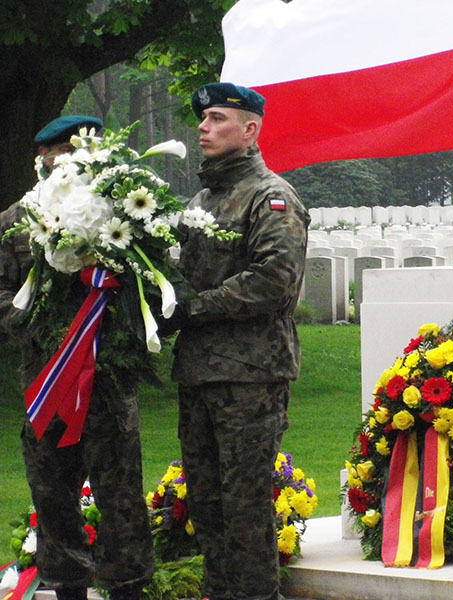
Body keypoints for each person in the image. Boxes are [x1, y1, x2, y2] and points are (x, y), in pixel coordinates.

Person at [163, 82, 309, 600]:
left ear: (250, 129)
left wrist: (191, 309)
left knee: (244, 507)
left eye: (218, 119)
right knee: (205, 504)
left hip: (249, 375)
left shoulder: (271, 197)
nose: (203, 128)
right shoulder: (201, 199)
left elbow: (274, 281)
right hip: (199, 372)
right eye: (203, 119)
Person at [0, 115, 154, 600]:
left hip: (107, 380)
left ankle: (128, 587)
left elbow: (148, 285)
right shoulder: (15, 221)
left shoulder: (122, 216)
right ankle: (67, 588)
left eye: (76, 151)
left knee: (121, 497)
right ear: (42, 159)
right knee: (52, 497)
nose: (66, 160)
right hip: (45, 381)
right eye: (57, 153)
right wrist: (27, 321)